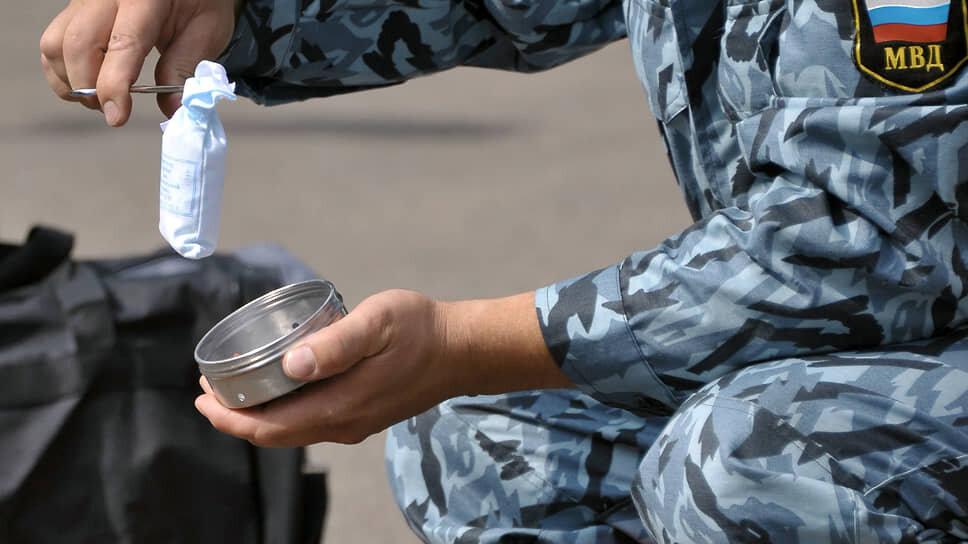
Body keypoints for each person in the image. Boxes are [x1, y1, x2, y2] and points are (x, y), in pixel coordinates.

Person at [41, 0, 968, 542]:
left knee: (751, 460)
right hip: (889, 341)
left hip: (903, 309)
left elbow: (867, 244)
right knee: (477, 441)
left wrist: (470, 341)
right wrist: (245, 15)